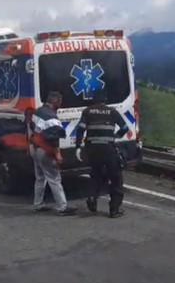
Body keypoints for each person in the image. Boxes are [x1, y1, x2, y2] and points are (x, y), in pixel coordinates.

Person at [74, 89, 129, 218]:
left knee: (96, 175)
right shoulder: (112, 112)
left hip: (92, 149)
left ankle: (92, 198)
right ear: (105, 100)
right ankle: (114, 209)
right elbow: (125, 128)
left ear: (94, 99)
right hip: (109, 149)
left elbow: (80, 130)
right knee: (116, 178)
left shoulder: (87, 112)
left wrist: (77, 147)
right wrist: (116, 135)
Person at [29, 91, 77, 216]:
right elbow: (54, 138)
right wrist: (58, 154)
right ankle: (62, 207)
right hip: (46, 151)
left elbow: (31, 128)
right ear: (55, 102)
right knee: (55, 178)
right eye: (60, 102)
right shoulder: (52, 118)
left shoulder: (37, 111)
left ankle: (38, 204)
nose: (60, 105)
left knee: (40, 178)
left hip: (36, 148)